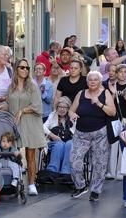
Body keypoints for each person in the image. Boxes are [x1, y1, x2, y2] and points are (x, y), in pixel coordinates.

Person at [69, 70, 117, 201]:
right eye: (90, 80)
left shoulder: (105, 93)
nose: (93, 82)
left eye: (95, 80)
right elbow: (71, 110)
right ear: (87, 82)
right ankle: (81, 185)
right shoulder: (81, 94)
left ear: (100, 81)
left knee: (100, 164)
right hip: (81, 134)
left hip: (100, 133)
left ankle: (95, 190)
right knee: (74, 161)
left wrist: (100, 104)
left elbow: (112, 112)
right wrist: (72, 114)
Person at [8, 57, 46, 194]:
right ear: (16, 69)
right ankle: (14, 180)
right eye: (22, 67)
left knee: (30, 155)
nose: (25, 70)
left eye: (27, 68)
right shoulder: (11, 87)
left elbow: (37, 106)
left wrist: (22, 110)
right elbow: (8, 103)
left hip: (31, 122)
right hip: (16, 123)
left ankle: (31, 184)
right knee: (14, 153)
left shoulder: (32, 86)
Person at [44, 96, 76, 181]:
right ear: (57, 107)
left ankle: (66, 172)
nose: (62, 109)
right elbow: (43, 127)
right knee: (59, 145)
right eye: (60, 107)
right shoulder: (52, 115)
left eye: (64, 107)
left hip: (68, 142)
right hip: (54, 143)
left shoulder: (72, 117)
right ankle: (52, 171)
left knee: (69, 144)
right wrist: (52, 135)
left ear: (68, 108)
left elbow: (76, 132)